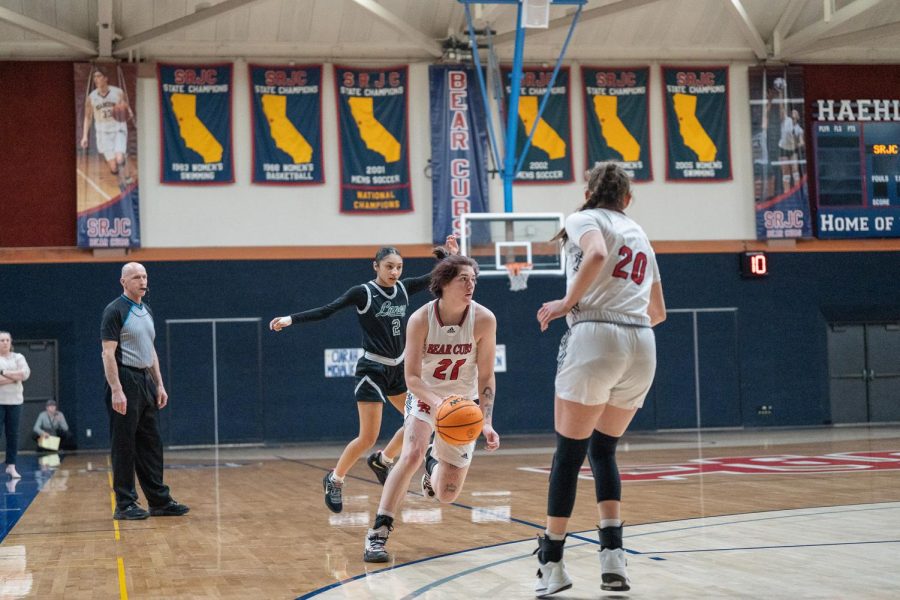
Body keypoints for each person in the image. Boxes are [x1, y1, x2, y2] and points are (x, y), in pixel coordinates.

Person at [532, 162, 666, 596]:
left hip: (595, 334)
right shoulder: (641, 233)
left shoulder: (583, 218)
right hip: (642, 343)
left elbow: (594, 255)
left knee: (568, 455)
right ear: (627, 198)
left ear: (589, 190)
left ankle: (552, 562)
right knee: (604, 450)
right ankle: (614, 560)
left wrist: (567, 301)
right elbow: (659, 312)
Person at [270, 236, 458, 513]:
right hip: (372, 369)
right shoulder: (363, 293)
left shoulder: (404, 289)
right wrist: (291, 319)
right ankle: (334, 479)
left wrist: (451, 257)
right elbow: (327, 310)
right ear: (376, 266)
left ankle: (383, 460)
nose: (395, 272)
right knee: (367, 437)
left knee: (416, 423)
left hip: (399, 369)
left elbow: (438, 277)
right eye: (389, 267)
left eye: (399, 267)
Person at [363, 254, 499, 563]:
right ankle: (378, 533)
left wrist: (487, 421)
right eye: (464, 279)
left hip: (464, 405)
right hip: (426, 396)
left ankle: (433, 466)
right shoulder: (421, 319)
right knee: (409, 453)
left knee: (447, 494)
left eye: (474, 279)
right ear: (444, 284)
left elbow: (487, 375)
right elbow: (411, 377)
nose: (471, 285)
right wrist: (438, 404)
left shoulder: (484, 319)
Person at [101, 262, 189, 520]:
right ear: (123, 282)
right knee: (124, 444)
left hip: (145, 381)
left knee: (151, 444)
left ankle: (159, 501)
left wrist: (159, 384)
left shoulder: (146, 310)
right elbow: (107, 354)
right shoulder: (115, 310)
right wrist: (117, 389)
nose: (142, 281)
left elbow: (150, 352)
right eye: (136, 277)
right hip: (124, 377)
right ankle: (125, 504)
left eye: (145, 276)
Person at [80, 67, 133, 192]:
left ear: (106, 79)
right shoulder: (91, 98)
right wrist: (84, 136)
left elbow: (127, 109)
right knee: (113, 166)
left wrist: (127, 113)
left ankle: (123, 180)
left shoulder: (118, 92)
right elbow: (88, 117)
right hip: (102, 132)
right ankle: (119, 170)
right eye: (95, 77)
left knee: (119, 157)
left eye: (99, 76)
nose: (96, 79)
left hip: (118, 128)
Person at [0, 331, 31, 479]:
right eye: (1, 340)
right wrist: (14, 378)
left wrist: (4, 372)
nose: (5, 342)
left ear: (11, 342)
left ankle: (11, 466)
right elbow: (18, 376)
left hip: (15, 402)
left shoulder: (19, 357)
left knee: (12, 435)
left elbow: (24, 374)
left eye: (7, 340)